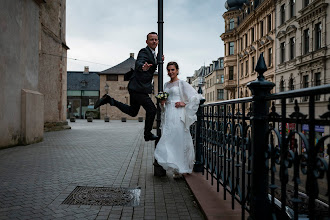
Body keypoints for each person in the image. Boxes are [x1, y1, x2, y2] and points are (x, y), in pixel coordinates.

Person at [94, 32, 162, 141]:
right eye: (151, 39)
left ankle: (110, 100)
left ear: (158, 41)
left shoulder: (153, 54)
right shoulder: (144, 51)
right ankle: (147, 134)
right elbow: (139, 62)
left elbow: (151, 65)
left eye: (155, 40)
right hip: (138, 88)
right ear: (147, 41)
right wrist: (142, 67)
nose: (154, 41)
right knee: (152, 109)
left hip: (136, 87)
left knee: (133, 112)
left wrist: (158, 61)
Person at [154, 62, 203, 178]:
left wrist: (184, 103)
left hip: (178, 114)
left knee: (179, 139)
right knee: (169, 139)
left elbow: (196, 97)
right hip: (168, 114)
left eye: (172, 70)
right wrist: (162, 103)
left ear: (177, 70)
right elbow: (165, 101)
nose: (170, 72)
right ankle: (175, 166)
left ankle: (182, 168)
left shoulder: (182, 83)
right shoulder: (166, 84)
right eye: (169, 70)